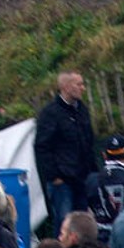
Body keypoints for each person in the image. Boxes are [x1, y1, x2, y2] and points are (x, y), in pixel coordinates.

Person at [33, 72, 94, 225]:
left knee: (83, 223)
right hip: (63, 181)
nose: (83, 88)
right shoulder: (50, 113)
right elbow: (42, 146)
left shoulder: (82, 110)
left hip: (82, 178)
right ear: (65, 87)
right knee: (64, 223)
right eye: (78, 84)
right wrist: (54, 176)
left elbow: (88, 141)